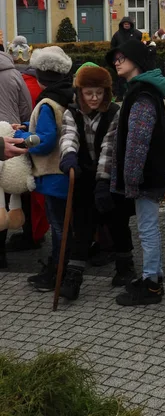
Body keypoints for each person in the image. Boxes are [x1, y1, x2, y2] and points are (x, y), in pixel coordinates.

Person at [58, 64, 135, 301]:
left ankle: (125, 268)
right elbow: (68, 136)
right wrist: (68, 156)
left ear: (106, 93)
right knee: (81, 226)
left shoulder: (114, 113)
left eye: (99, 93)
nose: (94, 98)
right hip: (82, 175)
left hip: (110, 177)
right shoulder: (71, 112)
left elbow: (109, 148)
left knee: (117, 223)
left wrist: (103, 181)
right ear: (79, 92)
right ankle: (73, 277)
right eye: (89, 93)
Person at [105, 39, 165, 306]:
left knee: (147, 228)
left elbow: (138, 141)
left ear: (136, 60)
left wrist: (131, 178)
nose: (117, 62)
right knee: (147, 227)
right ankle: (152, 275)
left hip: (145, 175)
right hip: (147, 173)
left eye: (122, 57)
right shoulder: (141, 90)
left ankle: (151, 284)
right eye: (115, 59)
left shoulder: (142, 94)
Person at [14, 47, 74, 290]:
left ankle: (58, 271)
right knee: (65, 224)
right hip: (64, 171)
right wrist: (29, 124)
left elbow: (46, 140)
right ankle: (63, 267)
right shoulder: (65, 96)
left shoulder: (47, 102)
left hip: (52, 173)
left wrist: (21, 136)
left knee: (59, 226)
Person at [6, 35, 47, 252]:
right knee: (31, 190)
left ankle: (27, 235)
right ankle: (34, 233)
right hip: (31, 141)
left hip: (14, 139)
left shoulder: (20, 81)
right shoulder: (31, 85)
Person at [0, 48, 33, 268]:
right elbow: (26, 109)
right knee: (8, 193)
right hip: (9, 138)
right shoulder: (14, 73)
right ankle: (2, 253)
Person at [110, 17, 142, 101]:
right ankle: (120, 95)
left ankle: (135, 94)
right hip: (121, 59)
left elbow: (143, 43)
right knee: (121, 78)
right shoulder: (117, 35)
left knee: (134, 76)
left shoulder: (137, 34)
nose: (126, 25)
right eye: (125, 24)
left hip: (134, 59)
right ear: (122, 25)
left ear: (131, 25)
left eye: (128, 24)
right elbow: (112, 46)